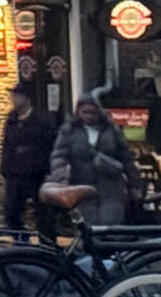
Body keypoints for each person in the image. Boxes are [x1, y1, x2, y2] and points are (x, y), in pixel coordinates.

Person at [48, 95, 132, 227]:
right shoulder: (69, 131)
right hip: (82, 186)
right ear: (78, 112)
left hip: (111, 188)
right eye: (85, 112)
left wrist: (135, 184)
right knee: (88, 227)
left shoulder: (111, 130)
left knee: (112, 228)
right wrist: (61, 178)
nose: (89, 116)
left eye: (93, 112)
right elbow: (59, 157)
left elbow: (126, 158)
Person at [0, 87, 58, 238]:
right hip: (15, 175)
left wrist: (45, 168)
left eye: (16, 96)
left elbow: (50, 145)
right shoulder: (11, 121)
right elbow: (7, 145)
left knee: (43, 214)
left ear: (26, 98)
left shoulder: (41, 122)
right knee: (11, 212)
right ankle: (21, 242)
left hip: (36, 175)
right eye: (12, 96)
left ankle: (48, 245)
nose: (13, 99)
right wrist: (5, 169)